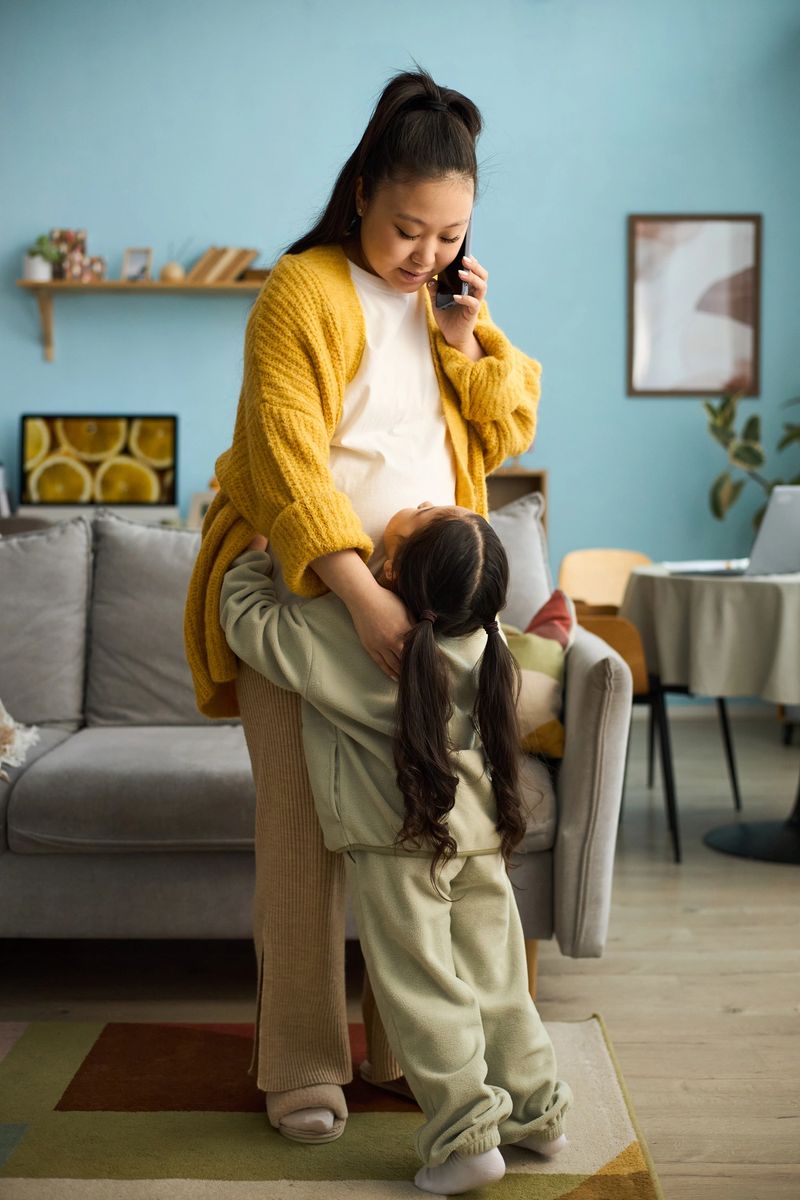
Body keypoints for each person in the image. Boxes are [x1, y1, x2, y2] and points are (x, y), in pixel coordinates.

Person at [183, 65, 541, 1142]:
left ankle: (406, 1053)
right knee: (302, 841)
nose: (424, 254)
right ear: (359, 199)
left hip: (423, 600)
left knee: (415, 835)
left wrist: (464, 338)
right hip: (312, 593)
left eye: (448, 236)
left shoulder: (444, 309)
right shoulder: (301, 292)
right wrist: (358, 595)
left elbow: (506, 429)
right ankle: (300, 1064)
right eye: (405, 230)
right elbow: (285, 459)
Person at [219, 502, 572, 1196]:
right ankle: (537, 1114)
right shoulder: (485, 636)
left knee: (423, 991)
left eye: (418, 520)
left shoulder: (345, 634)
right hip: (477, 838)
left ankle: (466, 1138)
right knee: (500, 984)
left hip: (395, 847)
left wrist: (253, 550)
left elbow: (247, 621)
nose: (416, 505)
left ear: (389, 571)